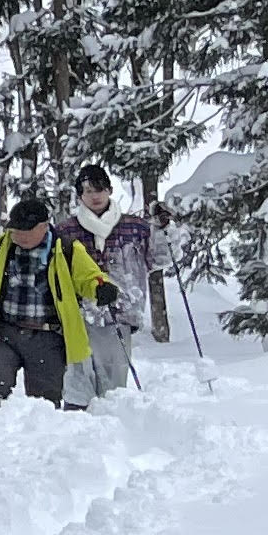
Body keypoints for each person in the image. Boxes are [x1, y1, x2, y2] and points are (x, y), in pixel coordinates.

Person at [0, 194, 120, 412]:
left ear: (43, 227)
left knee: (44, 404)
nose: (18, 237)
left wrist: (101, 288)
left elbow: (90, 277)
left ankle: (40, 440)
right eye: (14, 232)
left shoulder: (66, 248)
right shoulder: (2, 246)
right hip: (5, 332)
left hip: (48, 337)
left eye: (24, 232)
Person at [62, 163, 168, 396]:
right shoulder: (66, 231)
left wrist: (164, 229)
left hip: (121, 313)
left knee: (113, 386)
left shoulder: (135, 227)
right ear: (80, 196)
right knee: (77, 383)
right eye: (88, 191)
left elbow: (161, 258)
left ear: (109, 190)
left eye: (99, 189)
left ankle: (111, 424)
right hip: (78, 316)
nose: (95, 196)